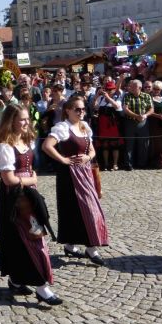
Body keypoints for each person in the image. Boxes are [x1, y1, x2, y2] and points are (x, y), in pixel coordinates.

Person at [0, 105, 59, 305]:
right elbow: (8, 179)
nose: (26, 123)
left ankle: (16, 279)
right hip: (14, 197)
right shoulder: (4, 146)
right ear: (11, 121)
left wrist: (31, 183)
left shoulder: (25, 141)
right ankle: (42, 287)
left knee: (28, 237)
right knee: (29, 237)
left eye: (26, 119)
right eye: (21, 119)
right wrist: (30, 180)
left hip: (28, 195)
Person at [42, 97, 109, 266]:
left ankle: (90, 246)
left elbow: (92, 150)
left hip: (85, 173)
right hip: (69, 175)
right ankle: (73, 245)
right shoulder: (63, 128)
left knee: (91, 207)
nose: (81, 112)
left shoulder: (85, 127)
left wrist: (88, 156)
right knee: (71, 209)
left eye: (83, 109)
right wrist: (63, 160)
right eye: (77, 109)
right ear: (68, 110)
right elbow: (47, 146)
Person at [91, 80, 123, 171]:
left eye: (110, 90)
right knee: (105, 145)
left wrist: (108, 97)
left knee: (115, 145)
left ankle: (115, 164)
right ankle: (106, 164)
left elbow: (117, 106)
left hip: (113, 125)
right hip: (103, 124)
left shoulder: (117, 98)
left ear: (114, 90)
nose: (108, 91)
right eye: (107, 90)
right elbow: (95, 106)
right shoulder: (101, 99)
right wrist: (97, 95)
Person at [122, 79, 154, 170]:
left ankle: (142, 163)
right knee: (129, 143)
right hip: (130, 122)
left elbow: (151, 109)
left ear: (139, 87)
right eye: (130, 86)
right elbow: (125, 109)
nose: (130, 88)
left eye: (133, 86)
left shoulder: (146, 96)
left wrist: (145, 115)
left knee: (143, 143)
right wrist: (136, 116)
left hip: (143, 122)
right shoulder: (127, 96)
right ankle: (128, 164)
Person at [148, 80, 162, 169]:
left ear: (161, 90)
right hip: (154, 122)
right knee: (156, 142)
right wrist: (159, 116)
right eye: (154, 89)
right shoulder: (149, 97)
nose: (156, 91)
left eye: (158, 89)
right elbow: (148, 110)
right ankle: (157, 160)